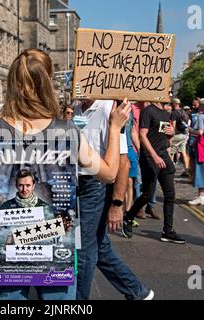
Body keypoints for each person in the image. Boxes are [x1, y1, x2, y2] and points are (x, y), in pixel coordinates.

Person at [0, 48, 132, 300]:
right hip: (56, 251)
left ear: (11, 84)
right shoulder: (67, 132)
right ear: (46, 84)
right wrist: (116, 127)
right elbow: (108, 174)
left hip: (5, 255)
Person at [74, 99, 153, 301]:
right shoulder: (75, 107)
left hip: (95, 184)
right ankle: (137, 291)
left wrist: (117, 204)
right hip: (75, 184)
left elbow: (124, 162)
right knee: (98, 245)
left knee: (84, 247)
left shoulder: (111, 108)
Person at [122, 100, 186, 244]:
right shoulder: (148, 111)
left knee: (170, 195)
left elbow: (164, 137)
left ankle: (167, 231)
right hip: (150, 158)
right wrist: (154, 155)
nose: (168, 97)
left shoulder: (165, 113)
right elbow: (142, 135)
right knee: (147, 194)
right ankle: (128, 217)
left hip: (163, 156)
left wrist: (171, 134)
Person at [170, 98, 190, 177]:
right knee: (183, 152)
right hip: (184, 135)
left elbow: (173, 126)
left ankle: (170, 172)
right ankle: (187, 169)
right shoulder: (183, 111)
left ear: (174, 104)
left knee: (171, 153)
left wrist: (170, 137)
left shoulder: (174, 113)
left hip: (177, 135)